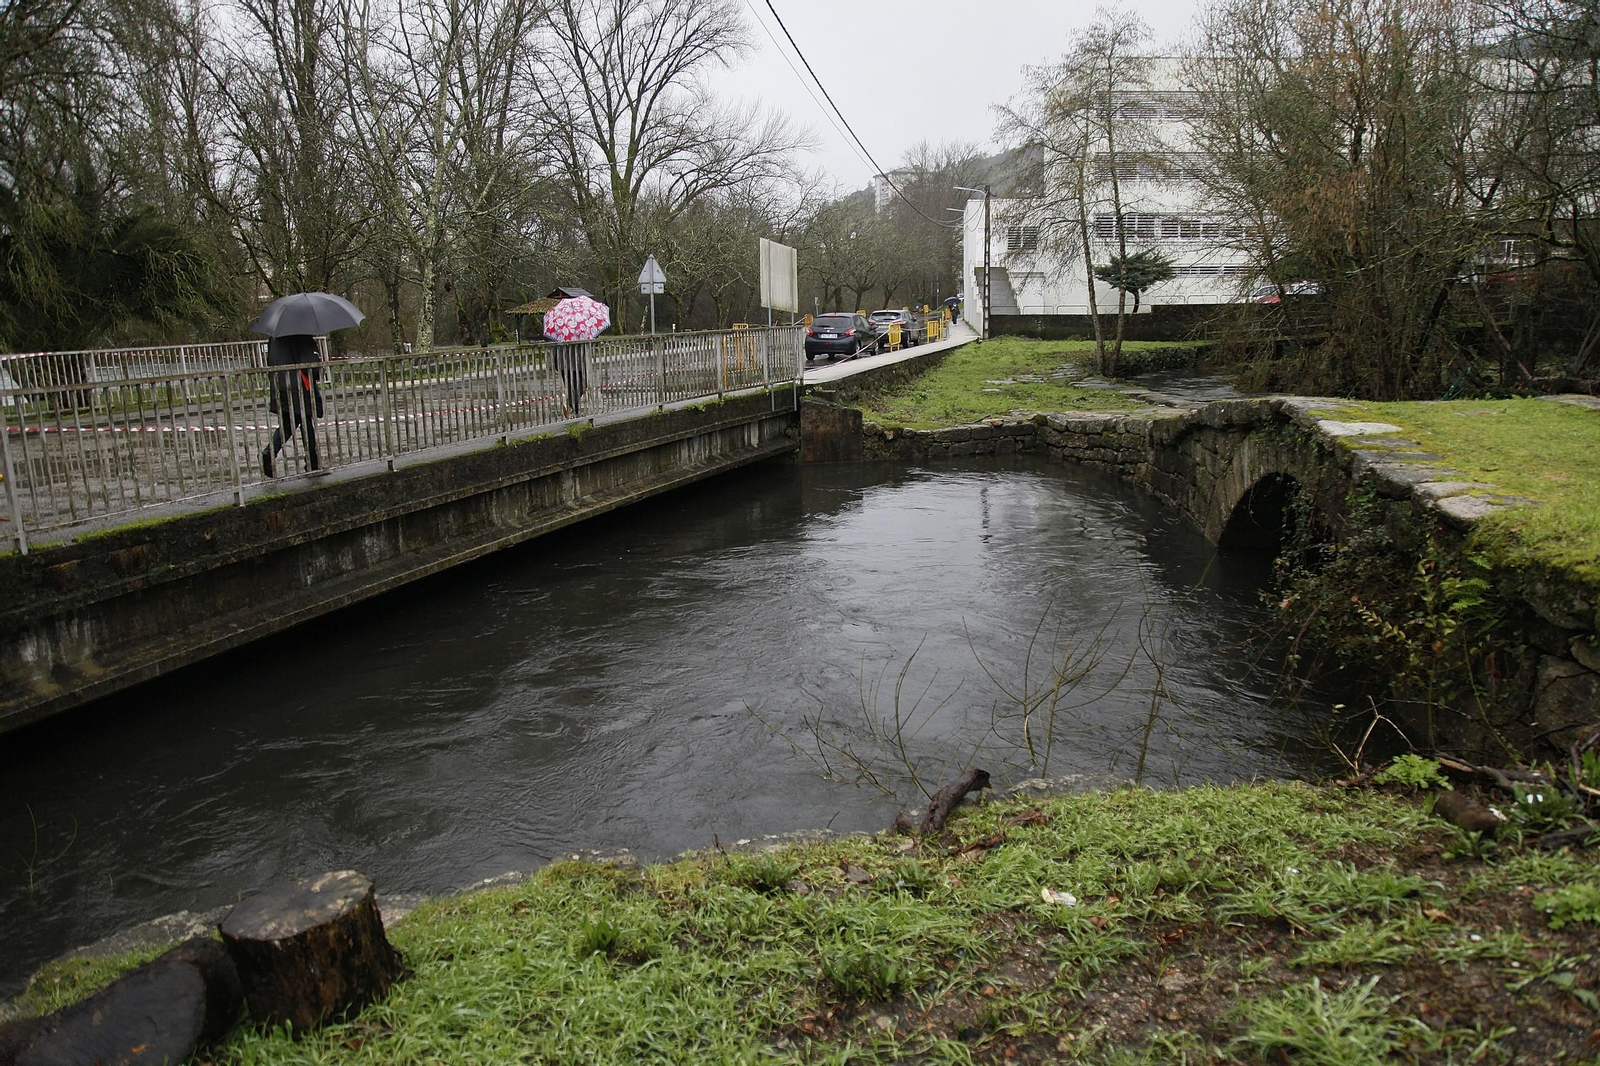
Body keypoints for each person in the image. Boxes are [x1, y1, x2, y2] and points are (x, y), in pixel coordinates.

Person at [260, 333, 323, 478]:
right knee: (305, 421)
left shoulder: (274, 337)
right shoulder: (302, 335)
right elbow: (311, 364)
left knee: (289, 422)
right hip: (299, 386)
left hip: (280, 384)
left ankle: (268, 453)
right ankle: (313, 463)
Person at [550, 342, 587, 415]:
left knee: (576, 387)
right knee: (576, 386)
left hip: (571, 364)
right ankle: (573, 409)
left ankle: (572, 408)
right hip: (572, 363)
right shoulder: (581, 332)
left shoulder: (560, 333)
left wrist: (554, 362)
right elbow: (555, 346)